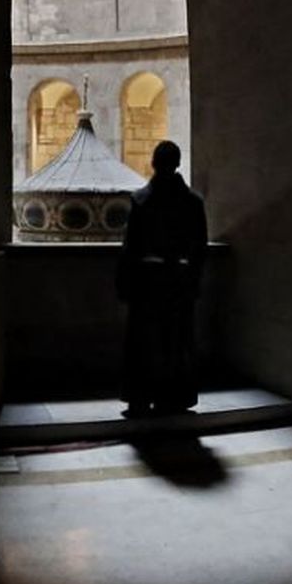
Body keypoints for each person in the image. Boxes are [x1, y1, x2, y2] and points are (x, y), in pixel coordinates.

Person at [117, 140, 209, 418]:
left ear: (154, 163)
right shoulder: (192, 203)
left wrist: (124, 282)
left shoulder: (141, 201)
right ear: (177, 163)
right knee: (176, 343)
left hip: (148, 283)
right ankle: (175, 397)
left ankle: (142, 395)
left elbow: (130, 248)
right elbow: (200, 248)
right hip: (178, 283)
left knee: (145, 343)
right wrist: (192, 279)